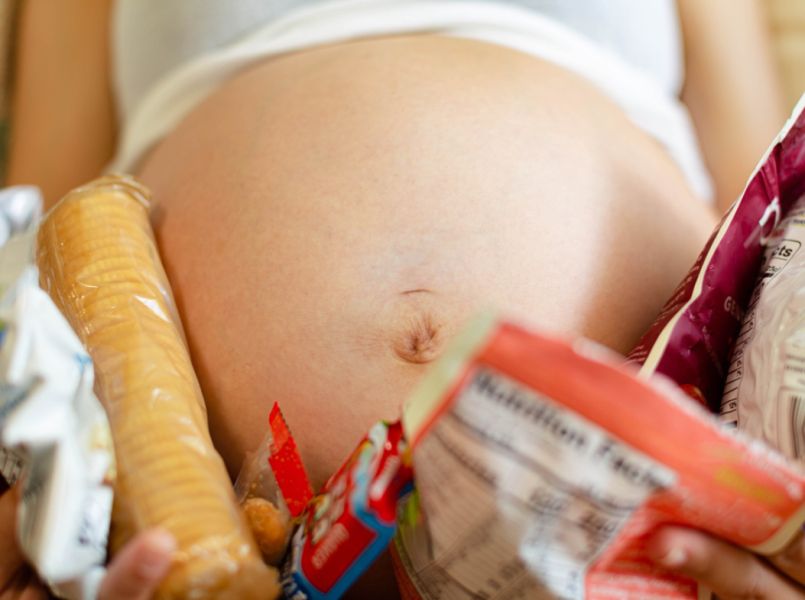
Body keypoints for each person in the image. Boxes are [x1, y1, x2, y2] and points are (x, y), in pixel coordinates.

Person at [0, 0, 798, 598]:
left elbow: (770, 203)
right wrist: (24, 503)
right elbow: (33, 228)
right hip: (206, 553)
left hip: (646, 541)